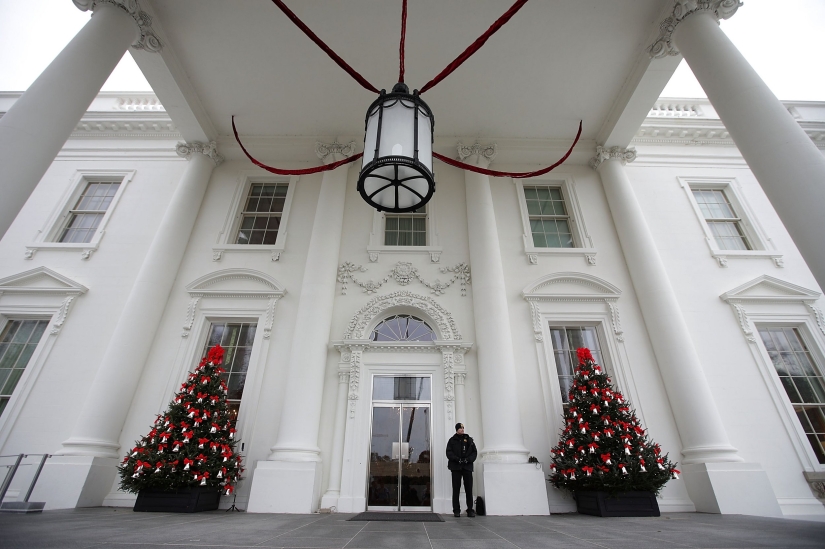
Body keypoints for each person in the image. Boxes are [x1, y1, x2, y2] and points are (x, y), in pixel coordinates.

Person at [445, 422, 477, 517]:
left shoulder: (469, 440)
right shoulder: (452, 440)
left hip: (467, 467)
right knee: (456, 489)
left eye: (463, 428)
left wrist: (468, 460)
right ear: (456, 429)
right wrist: (457, 459)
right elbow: (449, 453)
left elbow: (474, 452)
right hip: (456, 467)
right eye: (460, 428)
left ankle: (470, 509)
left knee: (469, 489)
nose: (462, 429)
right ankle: (456, 510)